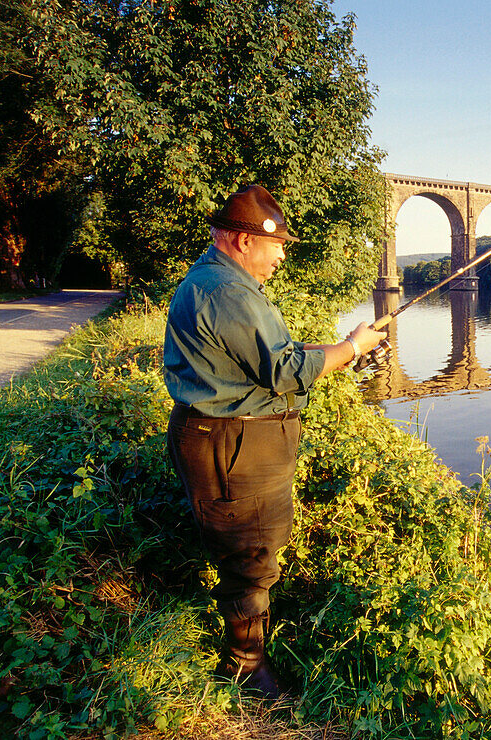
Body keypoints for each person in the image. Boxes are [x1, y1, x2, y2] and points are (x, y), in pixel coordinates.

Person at [163, 184, 386, 699]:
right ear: (242, 241)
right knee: (251, 555)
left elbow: (262, 357)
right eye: (277, 244)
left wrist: (334, 348)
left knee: (246, 548)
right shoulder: (229, 292)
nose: (283, 254)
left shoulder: (216, 282)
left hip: (227, 440)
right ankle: (246, 669)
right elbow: (284, 371)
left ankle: (247, 651)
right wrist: (351, 348)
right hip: (233, 446)